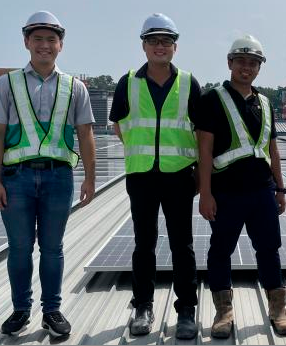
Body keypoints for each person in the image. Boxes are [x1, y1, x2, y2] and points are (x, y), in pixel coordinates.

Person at [0, 10, 96, 337]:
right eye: (38, 39)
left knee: (52, 248)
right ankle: (21, 310)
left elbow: (86, 134)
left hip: (58, 178)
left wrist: (90, 178)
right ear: (26, 42)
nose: (44, 45)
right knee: (19, 247)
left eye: (51, 39)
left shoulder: (75, 87)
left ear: (60, 45)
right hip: (16, 179)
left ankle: (52, 310)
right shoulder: (7, 84)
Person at [108, 13, 201, 340]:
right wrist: (143, 152)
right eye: (153, 41)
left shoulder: (190, 83)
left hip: (179, 176)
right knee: (144, 244)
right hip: (142, 177)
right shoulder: (127, 82)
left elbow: (201, 132)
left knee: (182, 245)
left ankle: (186, 310)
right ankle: (143, 306)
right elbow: (120, 127)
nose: (159, 47)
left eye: (166, 42)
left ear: (175, 47)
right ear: (144, 46)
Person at [195, 34, 286, 338]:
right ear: (230, 63)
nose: (247, 68)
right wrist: (205, 193)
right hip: (226, 192)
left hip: (262, 191)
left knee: (269, 248)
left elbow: (272, 150)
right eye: (241, 61)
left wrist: (280, 189)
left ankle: (278, 308)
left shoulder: (264, 102)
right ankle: (223, 311)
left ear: (259, 67)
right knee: (220, 251)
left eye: (253, 63)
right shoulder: (212, 99)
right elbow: (205, 150)